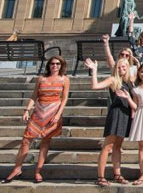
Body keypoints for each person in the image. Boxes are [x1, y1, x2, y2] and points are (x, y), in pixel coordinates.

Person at [2, 56, 70, 184]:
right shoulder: (41, 79)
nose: (55, 66)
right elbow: (34, 95)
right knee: (26, 140)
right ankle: (17, 168)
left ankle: (38, 171)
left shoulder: (65, 79)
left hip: (53, 112)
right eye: (52, 63)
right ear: (48, 65)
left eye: (57, 64)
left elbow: (65, 98)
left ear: (61, 65)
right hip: (38, 112)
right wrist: (27, 110)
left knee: (45, 141)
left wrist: (58, 115)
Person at [84, 57, 136, 186]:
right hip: (116, 114)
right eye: (119, 67)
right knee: (108, 146)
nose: (121, 69)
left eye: (124, 67)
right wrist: (94, 71)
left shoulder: (129, 81)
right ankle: (100, 177)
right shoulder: (113, 79)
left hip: (125, 114)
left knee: (117, 146)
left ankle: (117, 174)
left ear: (128, 67)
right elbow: (95, 86)